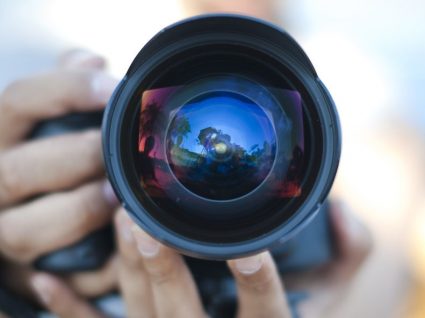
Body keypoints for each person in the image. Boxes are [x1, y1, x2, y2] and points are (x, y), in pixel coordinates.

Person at [0, 49, 371, 318]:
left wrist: (332, 300)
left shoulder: (382, 150)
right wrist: (17, 280)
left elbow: (392, 275)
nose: (220, 150)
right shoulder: (70, 68)